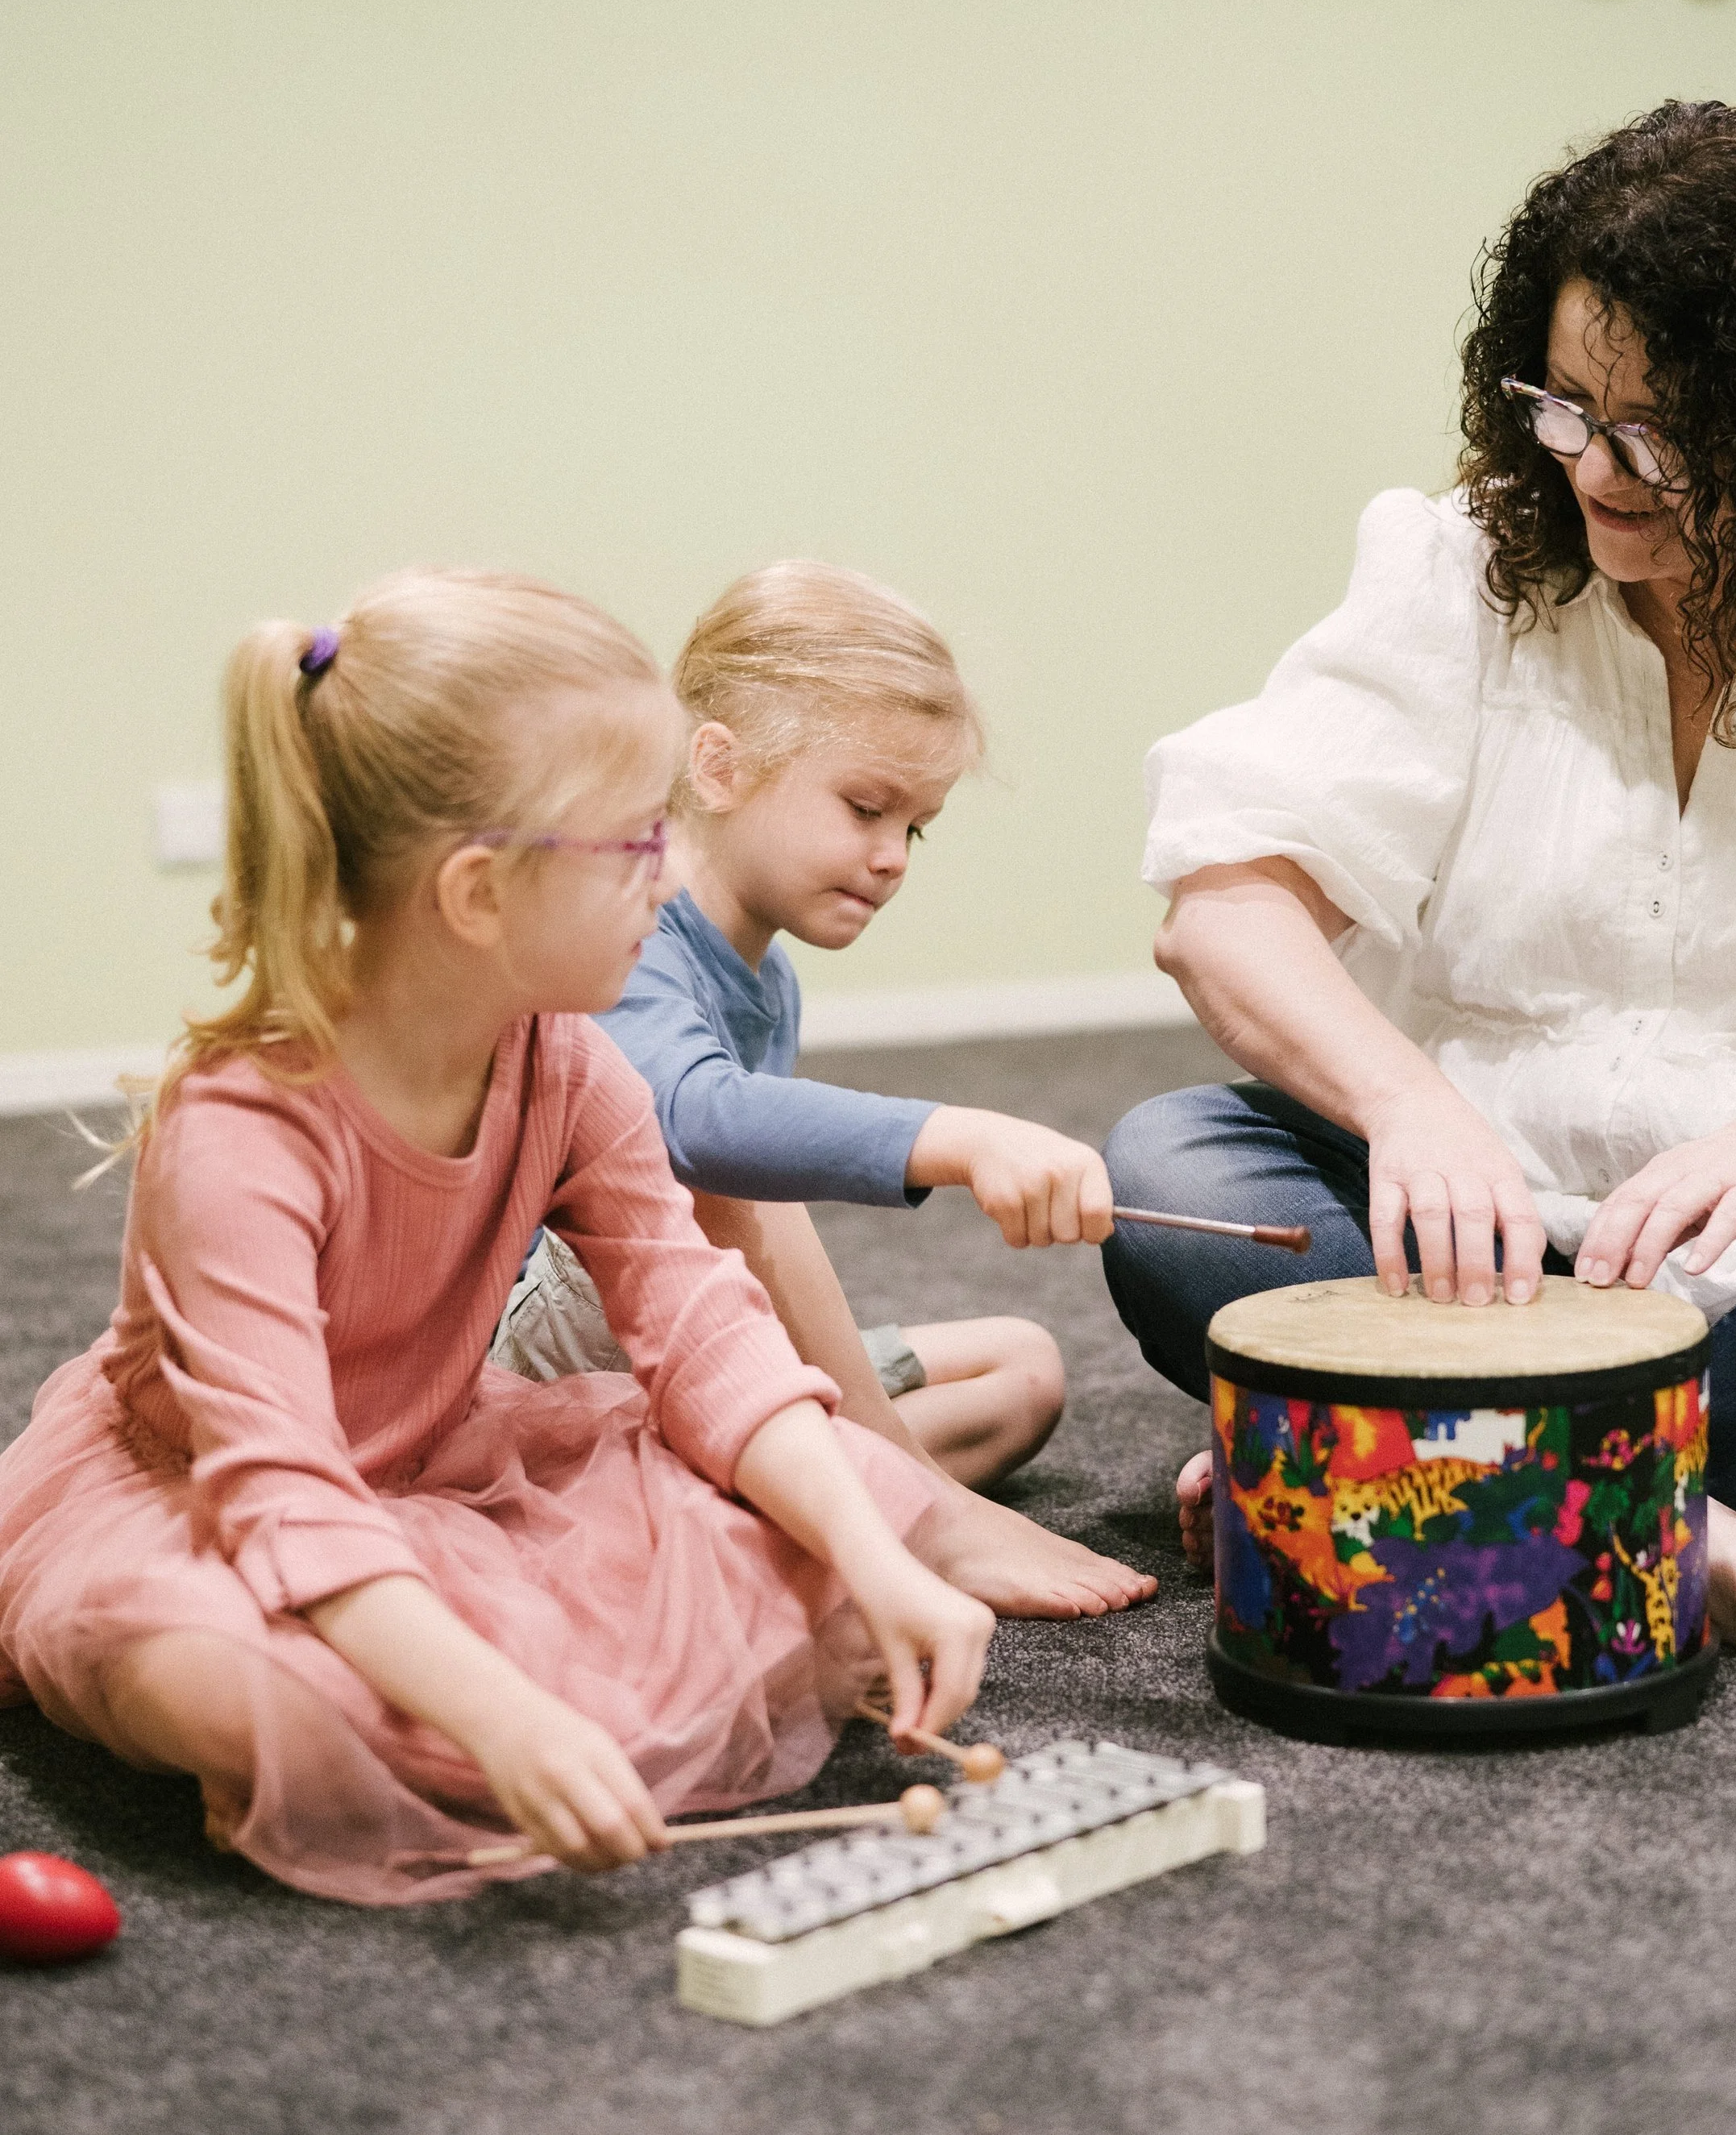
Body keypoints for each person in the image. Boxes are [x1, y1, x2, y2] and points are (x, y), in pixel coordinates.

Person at [1103, 101, 1736, 1701]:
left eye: (1656, 433)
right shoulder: (1465, 567)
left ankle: (1389, 1468)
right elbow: (1225, 903)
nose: (1593, 470)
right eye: (1563, 407)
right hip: (1473, 1252)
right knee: (1168, 1175)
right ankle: (1730, 1556)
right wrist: (1401, 1107)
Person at [0, 570, 994, 1905]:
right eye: (638, 839)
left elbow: (703, 1331)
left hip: (439, 1465)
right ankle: (391, 1726)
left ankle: (443, 1707)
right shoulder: (240, 1130)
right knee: (233, 1681)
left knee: (864, 1505)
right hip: (214, 1502)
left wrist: (877, 1564)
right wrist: (507, 1720)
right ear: (478, 893)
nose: (667, 877)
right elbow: (282, 1493)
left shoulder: (572, 1064)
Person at [494, 560, 1155, 1619]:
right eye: (865, 807)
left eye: (916, 827)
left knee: (1021, 1367)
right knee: (728, 1171)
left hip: (657, 1352)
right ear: (717, 766)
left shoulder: (769, 975)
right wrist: (956, 1133)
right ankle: (910, 1502)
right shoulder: (631, 937)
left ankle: (751, 1490)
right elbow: (695, 1124)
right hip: (523, 1357)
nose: (892, 857)